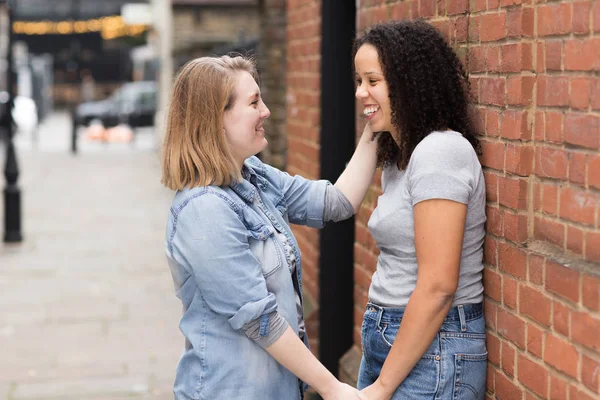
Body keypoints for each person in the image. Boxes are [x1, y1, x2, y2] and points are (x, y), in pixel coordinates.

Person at [160, 55, 378, 400]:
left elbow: (336, 202)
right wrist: (331, 387)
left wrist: (375, 124)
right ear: (217, 120)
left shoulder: (254, 177)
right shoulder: (203, 211)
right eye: (253, 103)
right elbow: (260, 321)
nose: (266, 111)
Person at [353, 20, 487, 400]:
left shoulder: (439, 152)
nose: (361, 92)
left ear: (408, 82)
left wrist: (382, 386)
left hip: (434, 348)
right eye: (358, 81)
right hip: (392, 339)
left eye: (373, 81)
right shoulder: (400, 157)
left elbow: (438, 286)